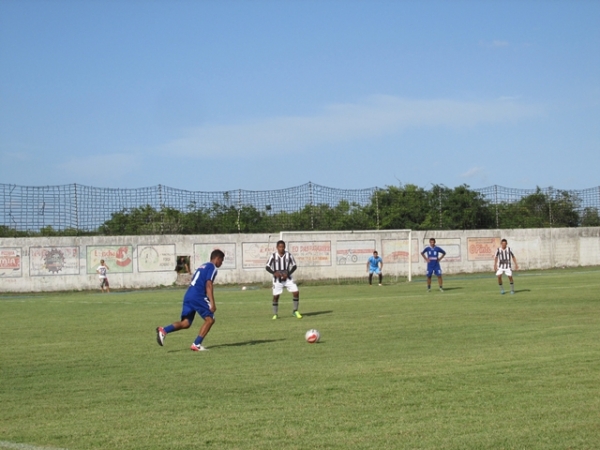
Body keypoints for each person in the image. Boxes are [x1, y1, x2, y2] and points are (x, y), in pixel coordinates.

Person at [156, 249, 225, 352]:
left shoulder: (203, 266)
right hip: (198, 295)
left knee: (186, 323)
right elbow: (208, 284)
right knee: (210, 319)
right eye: (222, 260)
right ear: (217, 258)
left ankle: (164, 330)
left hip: (189, 295)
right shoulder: (212, 267)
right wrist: (212, 303)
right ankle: (196, 344)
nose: (221, 263)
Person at [266, 240, 302, 319]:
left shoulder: (289, 255)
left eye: (283, 247)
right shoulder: (273, 256)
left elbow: (294, 266)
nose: (281, 248)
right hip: (277, 279)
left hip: (287, 278)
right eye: (280, 247)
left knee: (296, 292)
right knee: (276, 296)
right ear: (277, 247)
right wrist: (274, 273)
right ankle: (275, 314)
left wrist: (288, 274)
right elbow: (267, 267)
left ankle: (295, 311)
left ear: (285, 247)